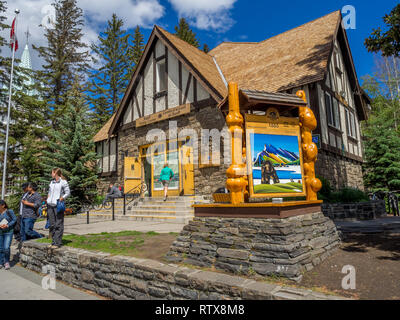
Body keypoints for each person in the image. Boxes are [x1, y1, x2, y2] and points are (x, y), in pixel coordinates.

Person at [47, 168, 70, 249]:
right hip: (50, 205)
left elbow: (68, 193)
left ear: (55, 173)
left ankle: (58, 243)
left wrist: (62, 198)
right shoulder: (51, 182)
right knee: (52, 224)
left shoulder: (63, 182)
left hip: (58, 205)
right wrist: (48, 198)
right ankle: (53, 242)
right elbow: (49, 192)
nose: (51, 174)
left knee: (58, 224)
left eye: (52, 173)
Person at [0, 200, 17, 270]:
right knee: (0, 248)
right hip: (0, 232)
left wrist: (8, 225)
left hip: (8, 232)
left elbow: (14, 219)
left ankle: (6, 261)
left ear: (3, 205)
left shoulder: (9, 211)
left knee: (6, 248)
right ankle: (1, 262)